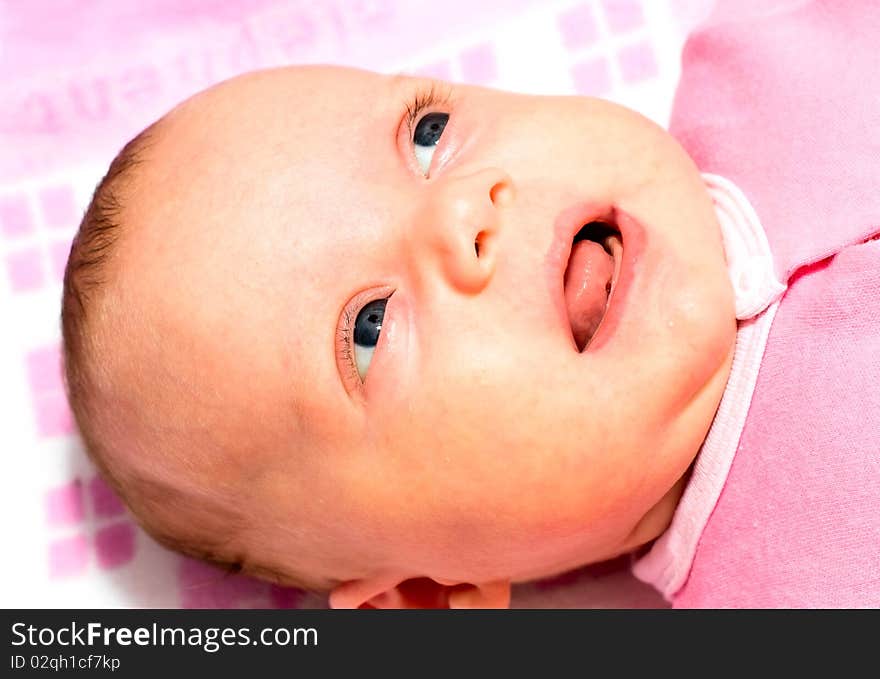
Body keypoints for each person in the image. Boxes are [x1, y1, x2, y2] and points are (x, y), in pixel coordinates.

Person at [61, 0, 879, 608]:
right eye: (368, 329)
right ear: (421, 589)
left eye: (427, 135)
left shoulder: (759, 45)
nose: (461, 213)